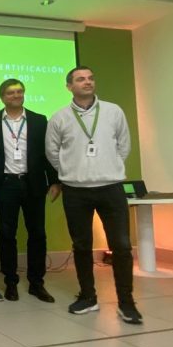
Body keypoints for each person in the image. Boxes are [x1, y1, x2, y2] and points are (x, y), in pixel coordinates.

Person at [45, 66, 143, 324]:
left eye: (90, 78)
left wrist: (107, 167)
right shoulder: (59, 117)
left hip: (111, 187)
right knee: (81, 245)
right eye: (80, 79)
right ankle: (88, 296)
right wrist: (72, 171)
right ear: (69, 86)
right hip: (75, 190)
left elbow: (124, 145)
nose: (87, 82)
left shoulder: (113, 111)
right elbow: (52, 152)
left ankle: (126, 302)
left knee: (121, 246)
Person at [0, 79, 61, 303]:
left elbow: (48, 153)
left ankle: (37, 283)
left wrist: (54, 181)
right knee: (7, 235)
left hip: (33, 183)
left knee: (37, 234)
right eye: (10, 92)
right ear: (2, 97)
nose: (16, 95)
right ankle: (11, 282)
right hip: (5, 184)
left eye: (19, 91)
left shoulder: (39, 120)